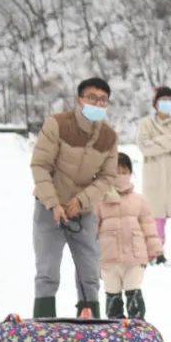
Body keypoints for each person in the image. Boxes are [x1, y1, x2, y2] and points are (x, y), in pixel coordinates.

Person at [30, 76, 118, 318]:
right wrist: (53, 203)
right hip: (49, 208)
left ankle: (89, 323)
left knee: (89, 271)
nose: (97, 104)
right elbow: (40, 165)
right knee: (47, 270)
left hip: (83, 211)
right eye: (92, 98)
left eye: (103, 100)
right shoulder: (57, 124)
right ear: (79, 99)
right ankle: (44, 325)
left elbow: (107, 177)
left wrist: (82, 201)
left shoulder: (109, 137)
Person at [95, 153, 161, 319]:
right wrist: (90, 258)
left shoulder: (139, 200)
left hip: (135, 258)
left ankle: (138, 326)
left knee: (134, 292)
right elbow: (91, 232)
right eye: (117, 171)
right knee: (112, 295)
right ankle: (115, 328)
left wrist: (154, 248)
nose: (121, 176)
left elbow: (149, 227)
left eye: (125, 171)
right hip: (109, 260)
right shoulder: (98, 201)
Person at [137, 86, 171, 266]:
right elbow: (145, 146)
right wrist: (168, 141)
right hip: (154, 175)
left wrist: (157, 142)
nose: (167, 103)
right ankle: (155, 249)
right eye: (163, 100)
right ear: (155, 103)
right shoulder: (145, 124)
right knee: (155, 216)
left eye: (170, 100)